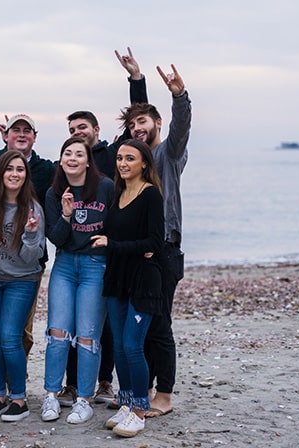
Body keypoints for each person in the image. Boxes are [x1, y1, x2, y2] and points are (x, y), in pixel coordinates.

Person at [58, 47, 149, 408]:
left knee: (107, 322)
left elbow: (138, 124)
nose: (78, 134)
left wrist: (136, 80)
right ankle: (69, 383)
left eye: (83, 128)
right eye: (72, 131)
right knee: (70, 322)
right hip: (76, 252)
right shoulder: (70, 162)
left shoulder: (114, 154)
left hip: (112, 247)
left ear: (96, 130)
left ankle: (105, 381)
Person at [0, 114, 55, 402]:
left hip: (23, 275)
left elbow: (33, 254)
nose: (15, 173)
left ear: (35, 136)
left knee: (15, 336)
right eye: (14, 130)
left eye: (26, 130)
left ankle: (16, 388)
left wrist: (30, 234)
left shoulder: (43, 178)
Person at [120, 64, 191, 418]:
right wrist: (136, 83)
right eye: (132, 127)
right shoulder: (139, 163)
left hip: (164, 250)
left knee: (160, 324)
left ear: (158, 124)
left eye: (144, 123)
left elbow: (178, 129)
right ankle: (144, 389)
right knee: (143, 324)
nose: (137, 129)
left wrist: (179, 95)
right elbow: (138, 124)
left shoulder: (168, 155)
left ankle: (164, 395)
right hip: (139, 251)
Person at [90, 138, 165, 438]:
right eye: (120, 158)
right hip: (117, 277)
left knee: (133, 346)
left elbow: (155, 243)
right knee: (119, 346)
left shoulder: (151, 196)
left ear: (144, 163)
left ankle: (140, 409)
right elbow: (117, 235)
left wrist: (116, 244)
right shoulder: (118, 193)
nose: (122, 163)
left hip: (142, 280)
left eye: (129, 159)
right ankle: (126, 401)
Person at [40, 137, 114, 424]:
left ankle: (84, 399)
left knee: (87, 336)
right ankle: (51, 395)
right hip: (65, 265)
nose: (72, 158)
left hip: (96, 265)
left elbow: (116, 222)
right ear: (61, 160)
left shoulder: (105, 187)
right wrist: (67, 215)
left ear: (87, 160)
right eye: (67, 153)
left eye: (78, 154)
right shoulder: (53, 192)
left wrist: (112, 242)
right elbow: (56, 239)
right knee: (57, 332)